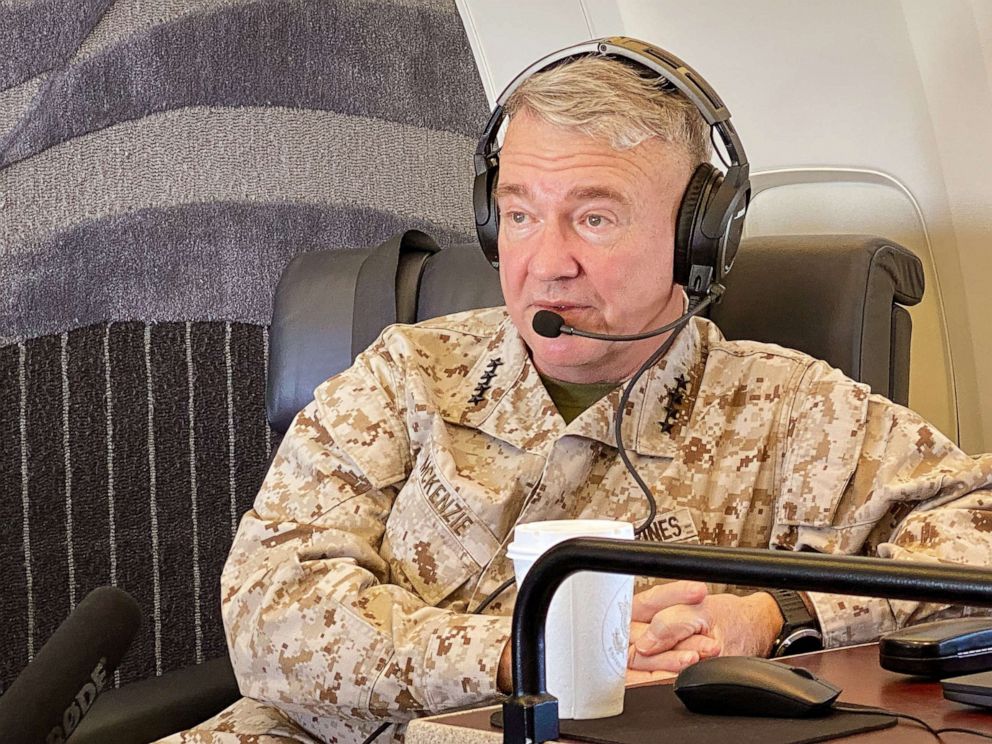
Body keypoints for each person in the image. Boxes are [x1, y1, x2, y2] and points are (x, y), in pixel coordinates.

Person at [167, 40, 992, 744]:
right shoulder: (404, 374)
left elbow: (976, 536)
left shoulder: (792, 410)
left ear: (698, 235)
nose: (545, 261)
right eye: (519, 215)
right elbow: (271, 616)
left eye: (594, 218)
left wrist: (778, 615)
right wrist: (515, 654)